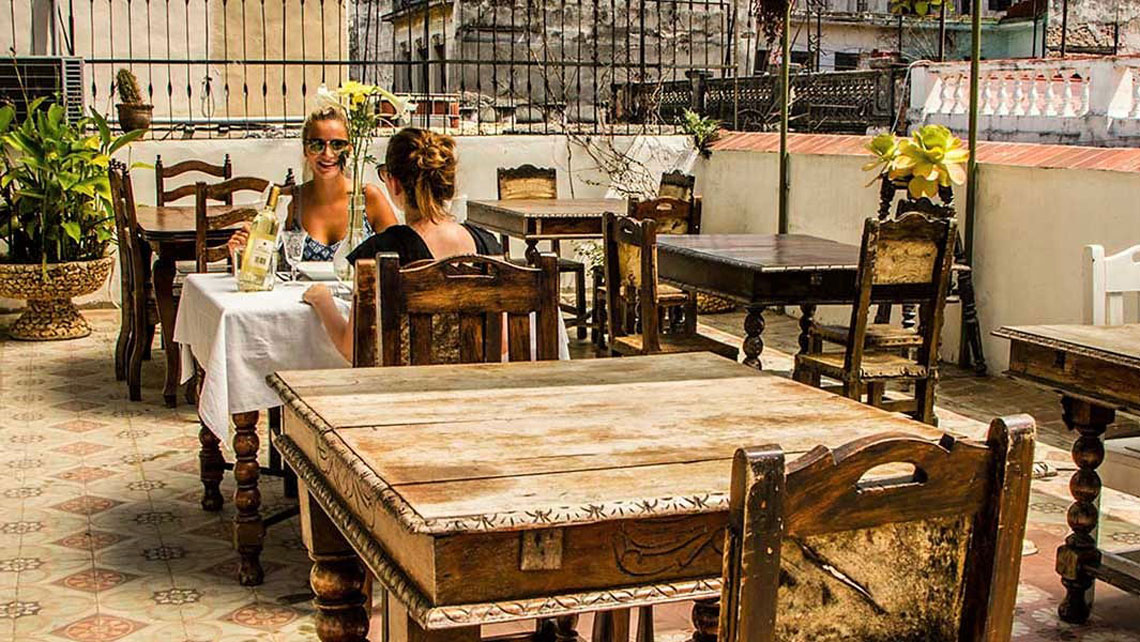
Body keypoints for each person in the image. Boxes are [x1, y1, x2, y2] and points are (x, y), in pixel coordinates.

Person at [303, 127, 503, 361]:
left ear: (394, 183)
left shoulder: (381, 251)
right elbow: (502, 343)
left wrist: (322, 301)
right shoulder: (488, 245)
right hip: (473, 386)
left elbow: (354, 348)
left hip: (404, 388)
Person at [228, 104, 398, 260]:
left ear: (349, 149)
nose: (327, 154)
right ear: (305, 150)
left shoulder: (367, 198)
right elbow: (278, 266)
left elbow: (401, 258)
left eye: (337, 145)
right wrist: (247, 251)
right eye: (317, 145)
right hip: (301, 294)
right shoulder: (293, 202)